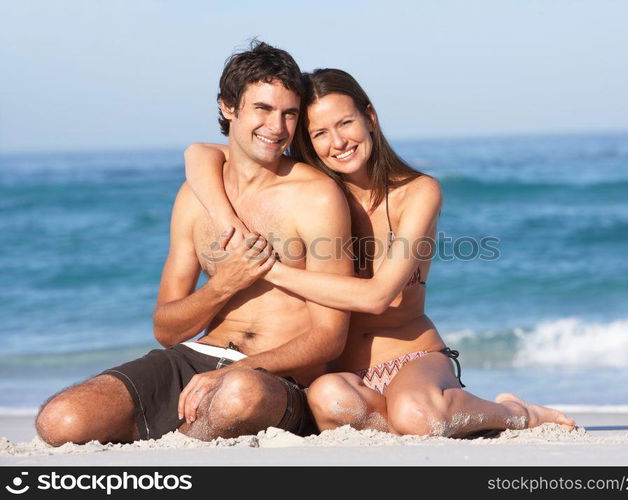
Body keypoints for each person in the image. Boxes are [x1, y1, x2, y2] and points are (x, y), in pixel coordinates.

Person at [184, 68, 576, 437]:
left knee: (415, 414)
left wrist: (265, 269)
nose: (337, 142)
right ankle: (428, 419)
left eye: (345, 123)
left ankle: (514, 413)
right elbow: (198, 153)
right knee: (327, 398)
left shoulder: (418, 192)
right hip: (342, 373)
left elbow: (378, 295)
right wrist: (225, 219)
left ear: (369, 117)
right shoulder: (318, 196)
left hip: (412, 356)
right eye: (319, 133)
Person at [34, 42, 354, 446]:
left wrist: (229, 374)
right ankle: (169, 431)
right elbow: (166, 329)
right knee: (60, 420)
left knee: (239, 394)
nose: (277, 127)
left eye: (289, 113)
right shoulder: (196, 196)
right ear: (228, 107)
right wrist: (224, 284)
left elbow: (329, 337)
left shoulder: (318, 196)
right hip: (195, 358)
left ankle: (175, 452)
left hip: (277, 376)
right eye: (263, 109)